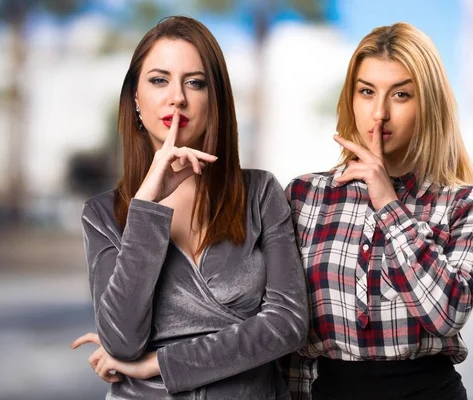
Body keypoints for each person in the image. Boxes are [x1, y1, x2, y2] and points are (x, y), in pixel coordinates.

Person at [70, 16, 308, 399]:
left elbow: (288, 324)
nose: (177, 96)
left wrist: (160, 363)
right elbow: (121, 343)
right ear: (135, 97)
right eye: (159, 80)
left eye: (194, 82)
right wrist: (146, 206)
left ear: (215, 98)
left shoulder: (260, 193)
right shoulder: (101, 214)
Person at [282, 22, 473, 400]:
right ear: (351, 99)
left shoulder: (465, 203)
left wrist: (389, 205)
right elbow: (291, 338)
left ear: (428, 103)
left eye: (400, 95)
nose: (379, 113)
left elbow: (446, 315)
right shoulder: (304, 196)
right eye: (366, 92)